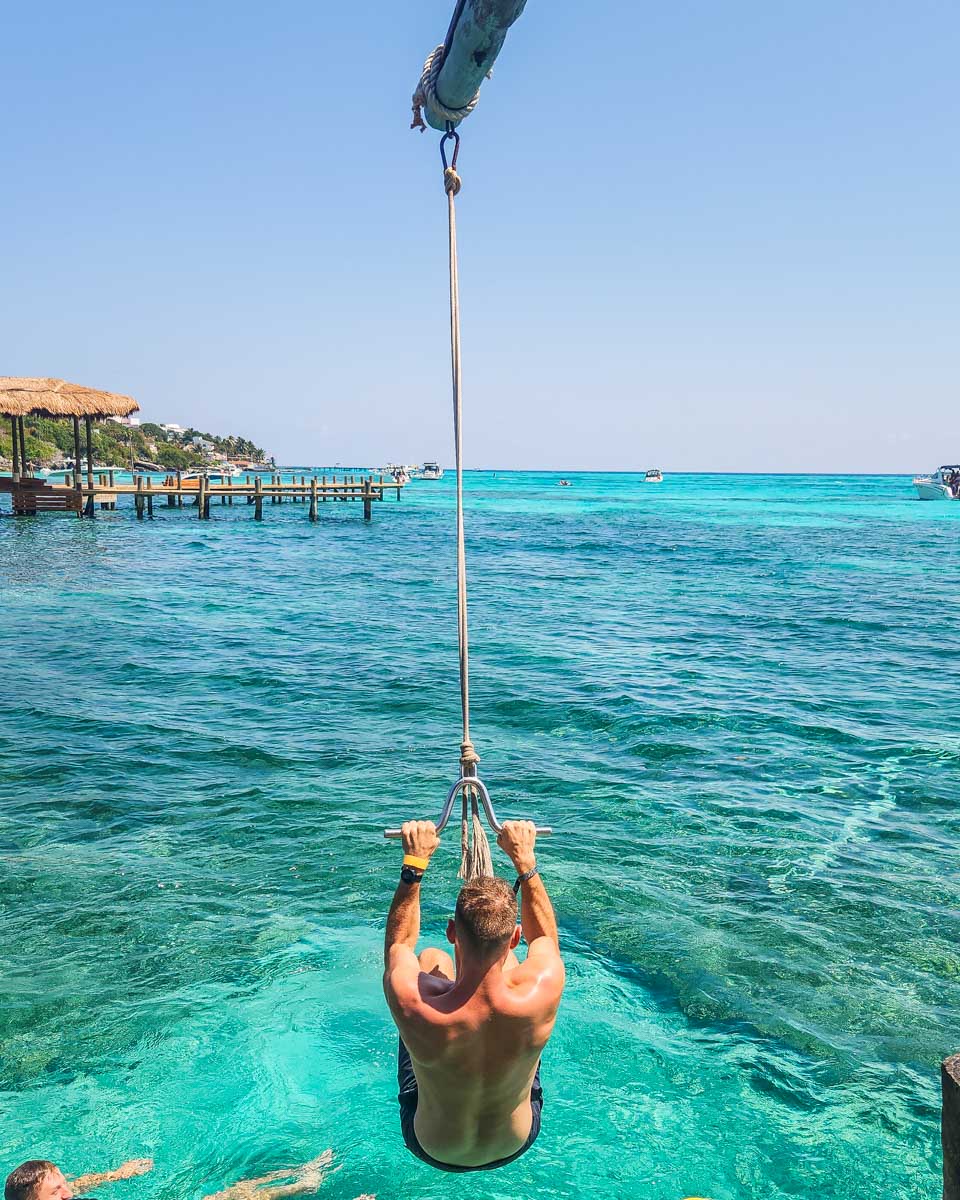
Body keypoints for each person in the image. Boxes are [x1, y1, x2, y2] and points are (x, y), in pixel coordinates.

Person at [382, 818, 565, 1172]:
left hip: (431, 1146)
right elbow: (544, 939)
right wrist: (525, 860)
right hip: (516, 1141)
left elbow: (398, 945)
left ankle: (457, 980)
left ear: (452, 932)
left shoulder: (413, 1002)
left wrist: (415, 864)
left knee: (430, 960)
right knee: (509, 970)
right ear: (514, 936)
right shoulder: (543, 986)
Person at [4, 1158, 368, 1200]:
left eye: (63, 1184)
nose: (69, 1193)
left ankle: (296, 1177)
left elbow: (81, 1183)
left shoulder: (66, 1192)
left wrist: (119, 1173)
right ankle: (299, 1184)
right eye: (57, 1192)